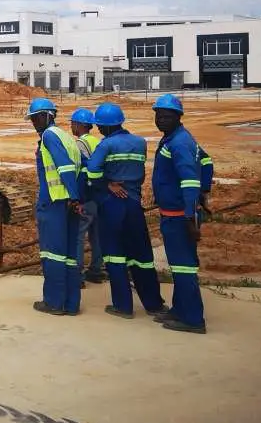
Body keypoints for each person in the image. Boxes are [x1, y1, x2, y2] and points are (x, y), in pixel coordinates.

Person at [85, 101, 167, 320]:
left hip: (112, 203)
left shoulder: (106, 145)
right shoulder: (139, 143)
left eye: (100, 126)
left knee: (115, 256)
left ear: (108, 127)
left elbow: (91, 173)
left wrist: (108, 183)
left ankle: (123, 306)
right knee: (142, 256)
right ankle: (154, 304)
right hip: (133, 202)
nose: (99, 130)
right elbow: (140, 175)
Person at [151, 94, 207, 334]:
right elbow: (207, 161)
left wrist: (190, 215)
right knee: (179, 266)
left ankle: (193, 319)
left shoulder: (180, 142)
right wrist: (205, 192)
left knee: (184, 267)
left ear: (178, 117)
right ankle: (179, 309)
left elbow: (189, 180)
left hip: (179, 216)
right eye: (158, 115)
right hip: (172, 212)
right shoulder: (174, 138)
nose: (161, 119)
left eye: (166, 116)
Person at [25, 97, 82, 316]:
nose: (34, 123)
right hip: (68, 203)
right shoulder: (65, 136)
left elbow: (65, 168)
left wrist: (73, 197)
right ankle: (71, 303)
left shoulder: (49, 136)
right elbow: (81, 168)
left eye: (36, 118)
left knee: (53, 255)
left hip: (55, 203)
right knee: (69, 255)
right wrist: (77, 199)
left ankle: (54, 302)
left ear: (47, 116)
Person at [70, 107, 105, 284]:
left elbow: (81, 173)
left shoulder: (79, 144)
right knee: (96, 235)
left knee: (78, 235)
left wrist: (78, 199)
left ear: (78, 125)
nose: (71, 127)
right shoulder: (97, 142)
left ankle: (77, 275)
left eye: (72, 123)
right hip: (100, 196)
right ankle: (96, 270)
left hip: (87, 196)